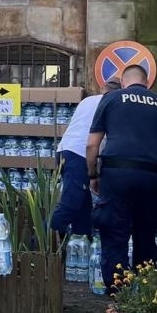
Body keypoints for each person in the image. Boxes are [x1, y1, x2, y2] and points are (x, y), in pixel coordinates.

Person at [86, 64, 157, 288]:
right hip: (152, 177)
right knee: (146, 235)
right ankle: (148, 292)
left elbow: (92, 145)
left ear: (123, 82)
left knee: (114, 234)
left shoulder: (111, 99)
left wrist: (93, 175)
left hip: (116, 174)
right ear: (147, 83)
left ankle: (118, 294)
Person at [51, 76, 121, 238]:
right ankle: (44, 245)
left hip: (65, 150)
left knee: (83, 208)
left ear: (103, 88)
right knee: (71, 204)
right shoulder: (111, 105)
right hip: (79, 154)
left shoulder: (88, 101)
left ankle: (80, 245)